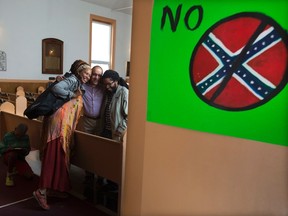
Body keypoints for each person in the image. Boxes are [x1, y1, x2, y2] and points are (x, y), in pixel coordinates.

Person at [33, 59, 91, 210]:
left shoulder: (76, 81)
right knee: (53, 158)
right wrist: (72, 94)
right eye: (86, 73)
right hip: (58, 127)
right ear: (79, 72)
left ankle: (54, 189)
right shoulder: (72, 80)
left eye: (89, 74)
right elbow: (57, 88)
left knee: (59, 158)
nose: (88, 76)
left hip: (62, 126)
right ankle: (41, 191)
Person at [101, 69, 129, 142]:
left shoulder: (124, 92)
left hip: (116, 132)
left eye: (109, 84)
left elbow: (129, 115)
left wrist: (120, 129)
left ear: (116, 81)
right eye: (105, 84)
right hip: (105, 130)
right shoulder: (108, 92)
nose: (107, 87)